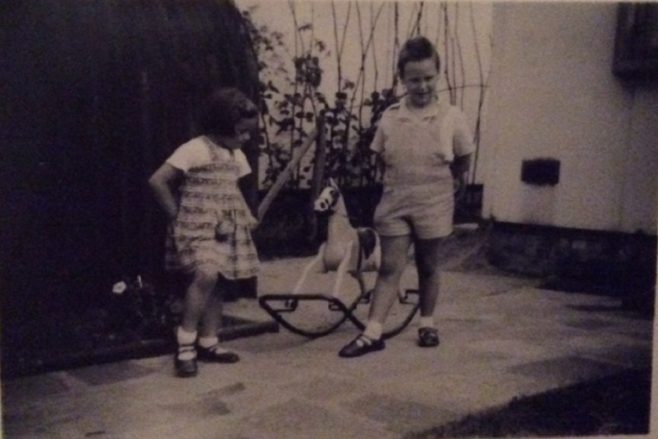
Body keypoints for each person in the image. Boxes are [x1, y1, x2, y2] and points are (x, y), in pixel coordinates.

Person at [338, 36, 474, 358]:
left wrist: (450, 181)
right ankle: (372, 333)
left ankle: (427, 322)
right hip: (396, 201)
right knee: (390, 267)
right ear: (403, 79)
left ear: (438, 74)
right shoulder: (390, 117)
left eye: (428, 78)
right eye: (415, 80)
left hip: (434, 201)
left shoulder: (451, 116)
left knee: (428, 264)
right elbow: (381, 156)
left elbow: (464, 157)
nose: (423, 86)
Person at [148, 87, 260, 377]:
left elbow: (232, 189)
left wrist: (246, 215)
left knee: (217, 280)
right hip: (195, 228)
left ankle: (209, 341)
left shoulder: (236, 155)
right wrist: (176, 216)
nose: (246, 139)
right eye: (241, 132)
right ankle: (185, 342)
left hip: (224, 229)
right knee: (206, 274)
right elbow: (158, 181)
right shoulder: (194, 149)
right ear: (222, 126)